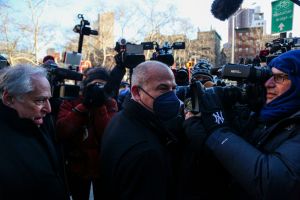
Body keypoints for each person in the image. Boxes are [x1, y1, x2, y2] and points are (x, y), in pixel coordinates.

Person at [184, 49, 300, 199]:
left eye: (279, 78)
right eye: (269, 76)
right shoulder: (267, 114)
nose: (268, 84)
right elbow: (234, 161)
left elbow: (272, 182)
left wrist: (218, 128)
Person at [99, 60, 183, 200]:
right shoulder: (147, 152)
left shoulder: (120, 118)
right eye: (163, 88)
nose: (172, 96)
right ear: (137, 92)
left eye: (173, 89)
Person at [0, 64, 69, 200]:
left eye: (48, 99)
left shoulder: (38, 122)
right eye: (40, 100)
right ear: (9, 99)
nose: (48, 109)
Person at [56, 66, 119, 200]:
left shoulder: (110, 103)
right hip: (77, 164)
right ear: (85, 86)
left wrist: (99, 106)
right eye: (94, 85)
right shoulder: (71, 100)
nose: (97, 89)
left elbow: (108, 136)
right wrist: (83, 106)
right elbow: (63, 131)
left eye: (101, 86)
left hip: (102, 166)